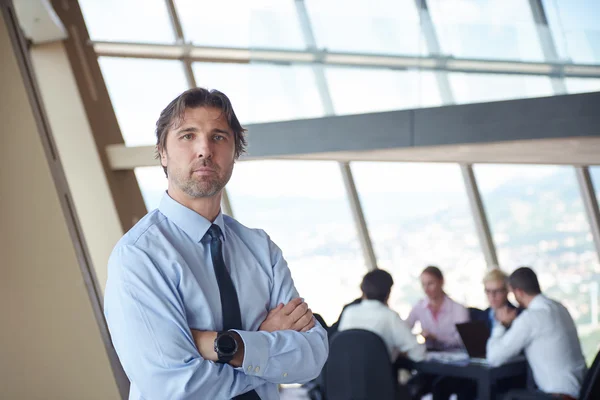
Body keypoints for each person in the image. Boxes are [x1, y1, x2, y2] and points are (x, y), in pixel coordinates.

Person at [103, 88, 329, 400]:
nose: (205, 149)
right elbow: (178, 388)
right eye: (187, 135)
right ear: (163, 152)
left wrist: (225, 346)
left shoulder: (260, 248)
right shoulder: (139, 257)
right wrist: (260, 345)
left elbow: (312, 356)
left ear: (235, 151)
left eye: (219, 136)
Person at [487, 267, 587, 400]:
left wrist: (501, 325)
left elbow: (493, 358)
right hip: (584, 391)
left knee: (504, 396)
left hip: (558, 396)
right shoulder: (559, 307)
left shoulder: (530, 318)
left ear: (519, 292)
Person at [338, 269, 426, 363]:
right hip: (379, 375)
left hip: (344, 375)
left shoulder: (349, 312)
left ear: (363, 291)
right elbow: (419, 353)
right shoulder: (389, 316)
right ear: (388, 293)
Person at [407, 265, 469, 350]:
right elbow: (404, 329)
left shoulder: (458, 309)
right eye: (423, 284)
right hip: (429, 356)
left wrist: (437, 338)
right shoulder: (419, 307)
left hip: (455, 356)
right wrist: (419, 336)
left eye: (430, 284)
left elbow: (462, 340)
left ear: (441, 281)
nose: (426, 289)